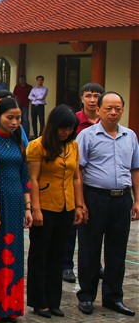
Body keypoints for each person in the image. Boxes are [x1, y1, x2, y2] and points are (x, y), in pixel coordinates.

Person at [76, 91, 139, 317]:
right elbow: (78, 171)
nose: (113, 113)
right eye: (108, 108)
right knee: (89, 249)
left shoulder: (130, 136)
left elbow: (135, 169)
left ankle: (113, 297)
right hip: (94, 198)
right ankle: (86, 295)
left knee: (117, 250)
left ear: (123, 110)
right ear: (99, 110)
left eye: (118, 109)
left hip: (121, 199)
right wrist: (81, 204)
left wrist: (137, 199)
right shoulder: (87, 136)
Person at [27, 105, 84, 318]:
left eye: (70, 128)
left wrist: (79, 205)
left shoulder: (73, 146)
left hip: (66, 207)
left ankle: (54, 301)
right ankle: (38, 301)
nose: (66, 132)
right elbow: (32, 179)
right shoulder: (37, 146)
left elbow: (76, 177)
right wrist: (36, 209)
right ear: (53, 126)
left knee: (57, 256)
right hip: (45, 206)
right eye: (63, 128)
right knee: (40, 255)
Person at [0, 97, 30, 323]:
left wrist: (28, 207)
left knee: (15, 250)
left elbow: (25, 175)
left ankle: (11, 306)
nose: (13, 122)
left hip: (16, 201)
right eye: (9, 117)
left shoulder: (18, 141)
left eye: (17, 118)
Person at [62, 82, 105, 283]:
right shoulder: (74, 121)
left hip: (96, 184)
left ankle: (96, 265)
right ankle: (67, 265)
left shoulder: (106, 122)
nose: (92, 99)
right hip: (73, 180)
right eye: (88, 95)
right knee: (72, 226)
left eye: (96, 96)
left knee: (95, 228)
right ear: (81, 98)